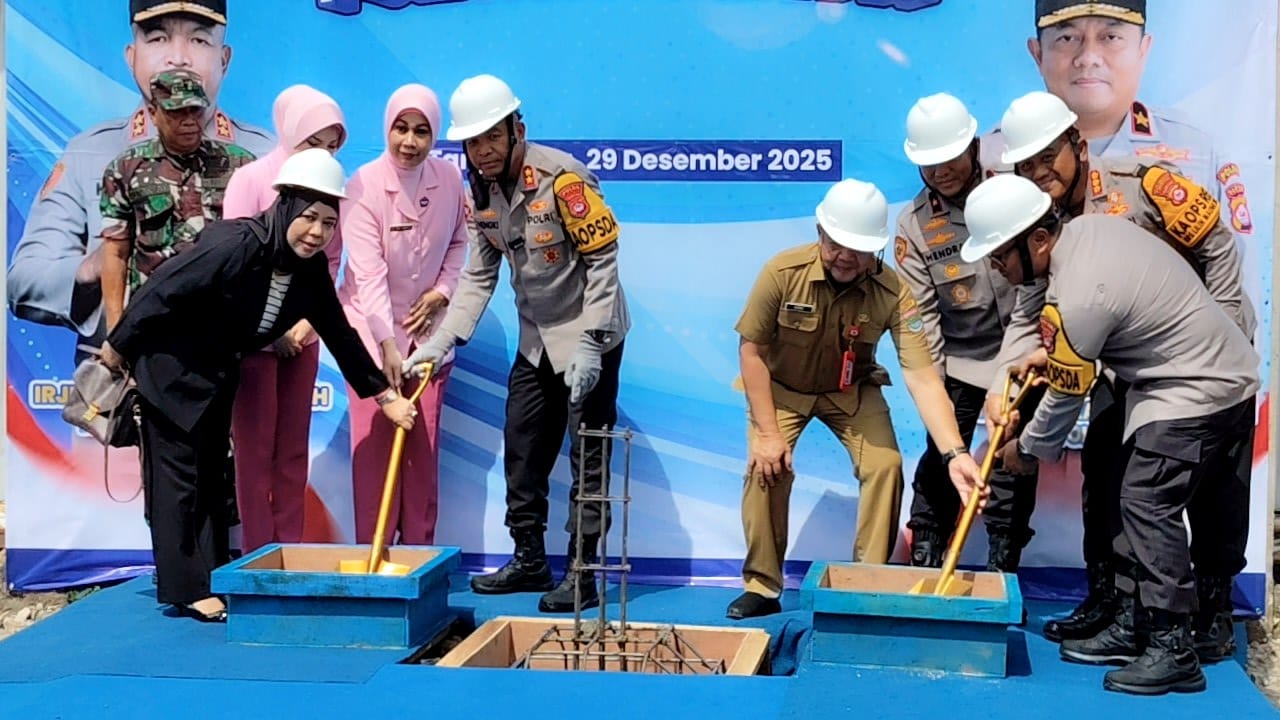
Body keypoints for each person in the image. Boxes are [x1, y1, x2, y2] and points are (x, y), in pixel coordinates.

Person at [955, 173, 1258, 695]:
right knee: (1152, 496)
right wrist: (1049, 354)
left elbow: (1069, 392)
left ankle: (1171, 648)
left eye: (1001, 256)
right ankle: (1144, 625)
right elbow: (1084, 339)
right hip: (1216, 375)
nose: (997, 271)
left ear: (1039, 239)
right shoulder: (1089, 234)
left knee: (1145, 501)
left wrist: (1024, 451)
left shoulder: (1080, 292)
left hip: (1193, 389)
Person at [98, 149, 417, 622]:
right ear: (285, 207)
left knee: (209, 480)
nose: (317, 233)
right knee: (178, 482)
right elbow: (162, 289)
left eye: (329, 224)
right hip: (169, 370)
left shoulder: (308, 273)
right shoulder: (235, 243)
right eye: (309, 218)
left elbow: (341, 337)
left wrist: (387, 398)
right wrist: (115, 349)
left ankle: (211, 576)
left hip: (216, 375)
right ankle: (185, 588)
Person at [401, 74, 629, 614]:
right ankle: (530, 560)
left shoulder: (563, 179)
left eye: (491, 138)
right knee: (523, 451)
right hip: (536, 342)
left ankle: (583, 572)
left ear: (515, 129)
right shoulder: (479, 188)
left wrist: (593, 343)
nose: (481, 152)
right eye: (472, 142)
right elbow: (480, 274)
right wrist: (442, 340)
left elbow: (602, 263)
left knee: (586, 455)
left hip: (587, 337)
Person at [726, 178, 984, 620]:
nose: (846, 256)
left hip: (851, 390)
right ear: (820, 233)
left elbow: (922, 376)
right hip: (782, 390)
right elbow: (751, 352)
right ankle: (762, 585)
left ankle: (870, 582)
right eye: (837, 243)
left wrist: (955, 452)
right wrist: (768, 434)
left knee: (885, 466)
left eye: (859, 247)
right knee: (766, 468)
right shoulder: (781, 273)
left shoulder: (893, 292)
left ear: (877, 248)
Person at [7, 0, 273, 358]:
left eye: (198, 41)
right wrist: (96, 267)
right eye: (159, 38)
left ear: (223, 60)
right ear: (131, 57)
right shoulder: (93, 153)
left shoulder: (268, 158)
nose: (178, 57)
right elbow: (24, 280)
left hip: (233, 378)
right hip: (124, 379)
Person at [894, 93, 1038, 574]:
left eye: (949, 158)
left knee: (1014, 454)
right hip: (961, 356)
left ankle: (1004, 554)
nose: (940, 172)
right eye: (928, 164)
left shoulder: (1017, 186)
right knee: (943, 450)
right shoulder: (914, 225)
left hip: (1025, 349)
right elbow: (924, 323)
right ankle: (927, 546)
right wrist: (935, 391)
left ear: (974, 146)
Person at [339, 83, 469, 546]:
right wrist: (387, 346)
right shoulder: (362, 186)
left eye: (420, 131)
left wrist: (442, 291)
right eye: (400, 128)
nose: (409, 142)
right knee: (375, 459)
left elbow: (459, 243)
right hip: (371, 342)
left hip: (429, 340)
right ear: (387, 128)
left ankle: (419, 560)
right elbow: (367, 274)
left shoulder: (451, 181)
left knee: (422, 458)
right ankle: (375, 566)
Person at [222, 85, 348, 553]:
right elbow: (233, 266)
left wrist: (306, 325)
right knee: (254, 453)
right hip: (254, 342)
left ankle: (291, 551)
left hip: (303, 339)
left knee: (293, 451)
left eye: (334, 145)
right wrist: (271, 332)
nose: (325, 153)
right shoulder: (251, 180)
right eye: (315, 141)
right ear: (291, 133)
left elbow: (331, 263)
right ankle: (259, 554)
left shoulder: (333, 187)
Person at [1026, 0, 1252, 234]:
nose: (1089, 57)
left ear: (1143, 50)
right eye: (1068, 38)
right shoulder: (997, 159)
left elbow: (1233, 266)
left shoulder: (1200, 152)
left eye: (1111, 37)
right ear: (1038, 54)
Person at [100, 69, 254, 332]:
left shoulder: (240, 165)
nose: (189, 121)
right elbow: (115, 252)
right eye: (177, 112)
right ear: (153, 113)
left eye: (196, 111)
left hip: (220, 319)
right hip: (151, 318)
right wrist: (116, 324)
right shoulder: (127, 169)